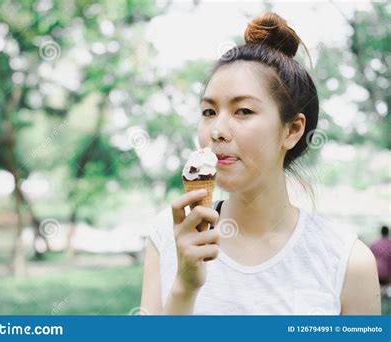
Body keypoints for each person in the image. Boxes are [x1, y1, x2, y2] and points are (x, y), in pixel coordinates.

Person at [140, 11, 381, 315]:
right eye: (208, 112)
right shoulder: (167, 237)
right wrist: (184, 288)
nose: (217, 130)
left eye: (243, 111)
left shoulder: (347, 261)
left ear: (292, 130)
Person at [370, 226, 391, 294]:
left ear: (381, 232)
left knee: (377, 292)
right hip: (387, 275)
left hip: (376, 273)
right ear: (388, 232)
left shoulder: (374, 243)